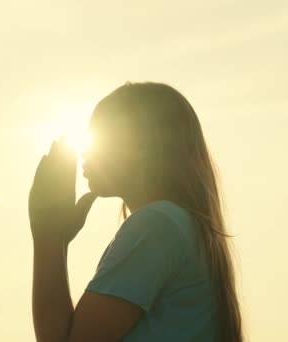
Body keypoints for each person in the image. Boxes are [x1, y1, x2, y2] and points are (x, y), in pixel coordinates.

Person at [28, 81, 243, 341]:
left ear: (139, 145)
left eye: (99, 135)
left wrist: (47, 235)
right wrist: (55, 239)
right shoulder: (178, 225)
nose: (85, 149)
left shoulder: (156, 226)